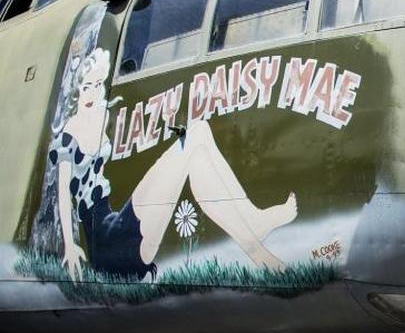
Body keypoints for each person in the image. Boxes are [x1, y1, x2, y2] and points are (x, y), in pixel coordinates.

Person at [51, 47, 297, 280]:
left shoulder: (98, 117)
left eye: (97, 85)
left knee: (199, 144)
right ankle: (253, 232)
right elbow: (63, 193)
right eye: (86, 87)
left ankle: (255, 239)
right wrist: (70, 246)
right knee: (197, 134)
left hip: (118, 227)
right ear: (76, 91)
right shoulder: (67, 137)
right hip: (109, 246)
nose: (92, 93)